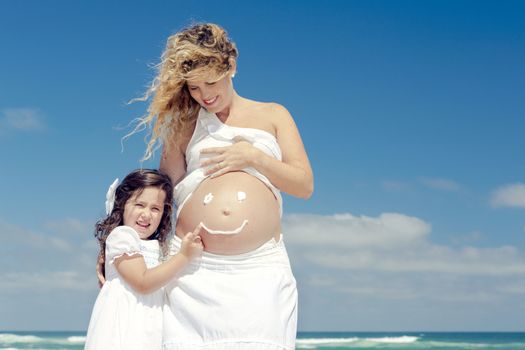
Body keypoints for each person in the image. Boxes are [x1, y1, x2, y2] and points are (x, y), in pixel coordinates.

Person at [85, 169, 203, 350]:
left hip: (150, 328)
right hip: (126, 327)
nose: (147, 214)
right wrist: (184, 256)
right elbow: (143, 282)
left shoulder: (159, 246)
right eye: (139, 205)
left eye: (155, 208)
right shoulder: (122, 236)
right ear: (122, 205)